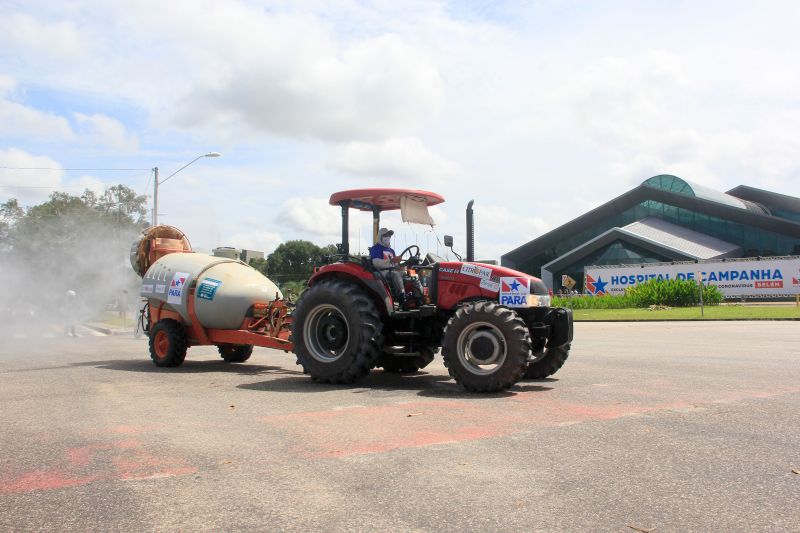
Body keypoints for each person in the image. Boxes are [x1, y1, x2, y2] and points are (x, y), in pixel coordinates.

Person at [369, 228, 405, 305]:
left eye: (389, 235)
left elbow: (395, 264)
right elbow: (376, 263)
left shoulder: (391, 250)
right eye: (385, 235)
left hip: (391, 271)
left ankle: (419, 298)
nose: (388, 237)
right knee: (395, 274)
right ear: (380, 237)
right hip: (380, 271)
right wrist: (391, 261)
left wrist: (401, 266)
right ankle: (402, 298)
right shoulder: (375, 248)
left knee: (410, 274)